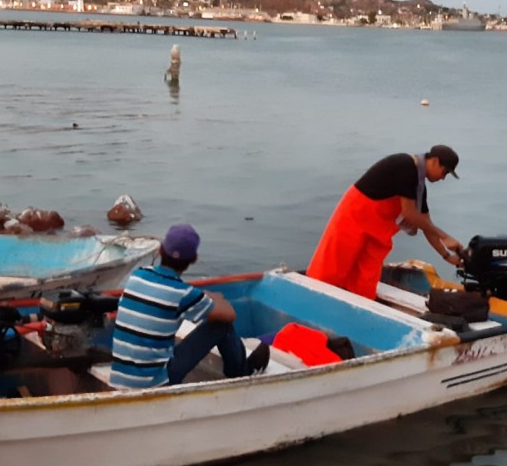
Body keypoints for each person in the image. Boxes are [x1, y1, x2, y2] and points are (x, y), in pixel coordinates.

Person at [109, 223, 269, 389]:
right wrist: (214, 297)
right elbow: (229, 315)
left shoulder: (137, 277)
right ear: (194, 259)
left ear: (160, 250)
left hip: (120, 380)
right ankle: (242, 372)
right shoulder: (183, 293)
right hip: (157, 383)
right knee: (223, 326)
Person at [306, 145, 464, 300]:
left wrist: (447, 256)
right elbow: (409, 214)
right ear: (435, 161)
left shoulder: (419, 188)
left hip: (376, 235)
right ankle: (311, 304)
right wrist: (445, 236)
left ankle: (359, 313)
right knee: (330, 270)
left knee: (365, 281)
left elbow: (426, 225)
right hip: (353, 220)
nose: (443, 178)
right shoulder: (406, 166)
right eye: (445, 172)